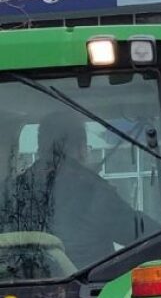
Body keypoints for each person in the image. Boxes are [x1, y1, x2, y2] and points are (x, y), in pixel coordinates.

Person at [1, 112, 151, 269]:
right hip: (89, 288)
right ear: (81, 148)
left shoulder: (9, 192)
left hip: (19, 287)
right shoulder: (95, 192)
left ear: (40, 148)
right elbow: (145, 235)